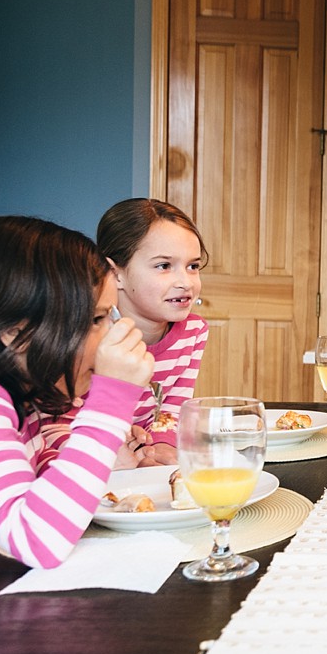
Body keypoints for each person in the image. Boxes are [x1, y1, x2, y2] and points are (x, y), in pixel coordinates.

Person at [0, 216, 154, 573]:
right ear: (14, 331)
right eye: (97, 319)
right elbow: (36, 540)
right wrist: (112, 401)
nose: (115, 334)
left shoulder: (24, 395)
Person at [49, 199, 209, 467]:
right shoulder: (84, 338)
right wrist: (112, 454)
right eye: (164, 266)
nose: (185, 282)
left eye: (193, 266)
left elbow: (171, 410)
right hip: (82, 464)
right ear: (116, 273)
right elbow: (54, 425)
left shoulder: (193, 331)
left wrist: (159, 448)